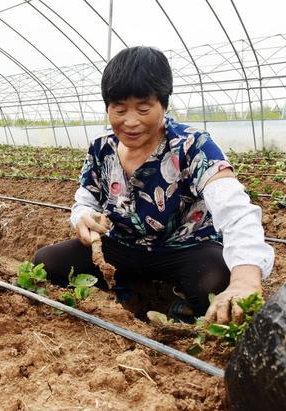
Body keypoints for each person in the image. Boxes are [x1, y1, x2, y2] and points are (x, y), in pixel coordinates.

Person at [33, 46, 274, 325]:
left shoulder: (192, 145)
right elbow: (85, 200)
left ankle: (175, 305)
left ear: (163, 103)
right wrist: (83, 217)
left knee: (215, 280)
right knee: (47, 262)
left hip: (183, 249)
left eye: (144, 108)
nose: (130, 121)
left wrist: (244, 279)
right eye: (119, 109)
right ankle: (123, 290)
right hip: (121, 246)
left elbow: (236, 210)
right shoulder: (102, 148)